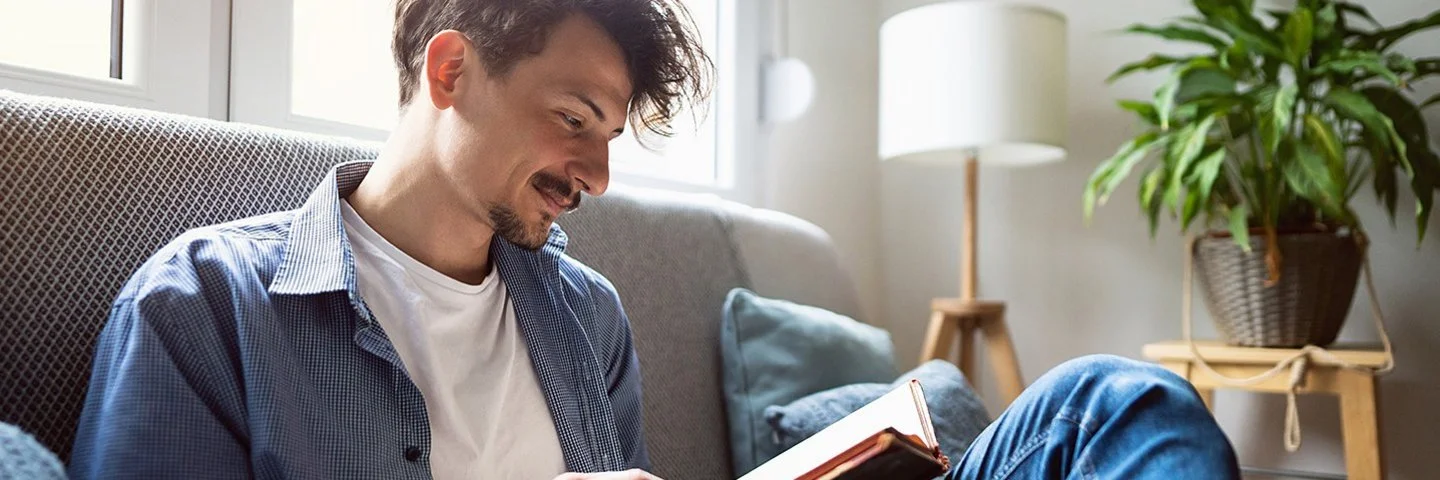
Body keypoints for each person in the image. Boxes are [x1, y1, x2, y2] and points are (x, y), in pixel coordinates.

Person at [67, 1, 1241, 479]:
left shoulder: (586, 318)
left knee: (1115, 409)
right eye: (575, 121)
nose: (597, 173)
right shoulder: (203, 307)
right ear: (449, 68)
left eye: (612, 134)